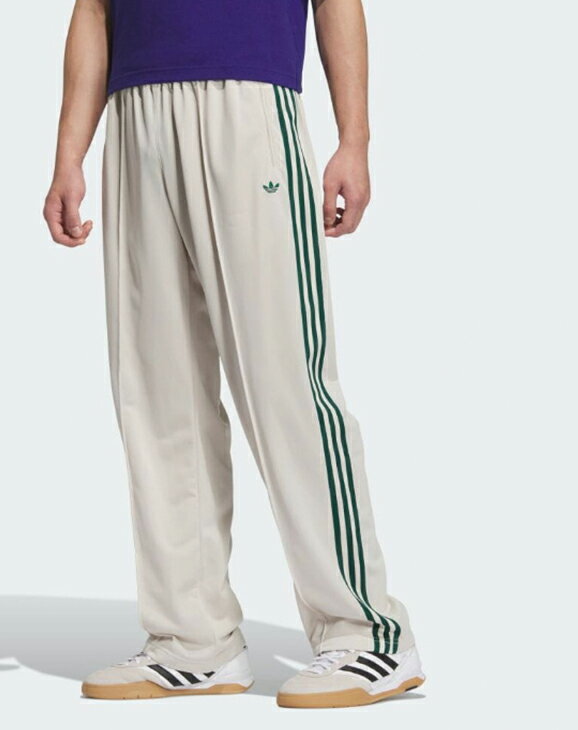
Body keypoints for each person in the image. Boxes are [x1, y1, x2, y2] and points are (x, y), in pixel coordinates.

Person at [44, 0, 423, 709]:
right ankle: (194, 639)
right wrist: (70, 154)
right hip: (135, 116)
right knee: (157, 388)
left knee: (286, 380)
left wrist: (355, 139)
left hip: (247, 105)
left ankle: (368, 632)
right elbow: (93, 9)